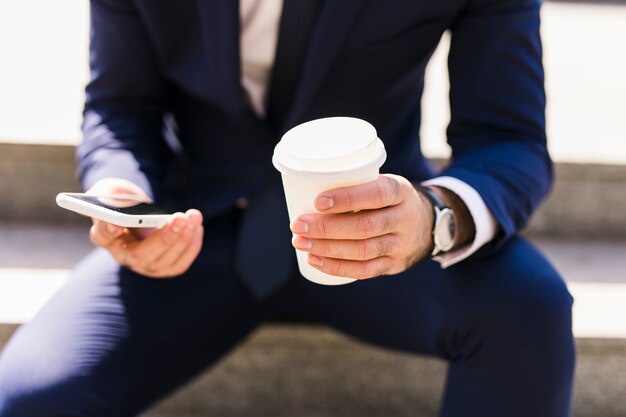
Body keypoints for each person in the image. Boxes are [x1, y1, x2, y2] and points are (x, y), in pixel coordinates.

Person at [0, 0, 575, 416]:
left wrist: (435, 217)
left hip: (377, 234)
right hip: (197, 232)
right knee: (28, 397)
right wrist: (123, 195)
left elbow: (509, 139)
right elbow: (118, 107)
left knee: (531, 311)